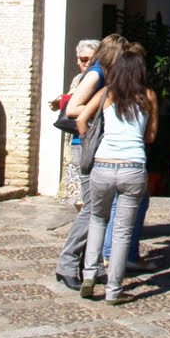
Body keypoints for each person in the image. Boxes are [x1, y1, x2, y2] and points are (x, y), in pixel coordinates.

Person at [75, 41, 157, 303]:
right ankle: (114, 290)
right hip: (133, 166)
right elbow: (151, 136)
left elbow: (80, 118)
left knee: (97, 220)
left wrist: (88, 141)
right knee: (122, 230)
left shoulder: (107, 93)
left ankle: (89, 275)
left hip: (103, 164)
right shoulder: (148, 95)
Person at [53, 34, 120, 290]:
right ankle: (67, 263)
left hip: (96, 144)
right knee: (92, 209)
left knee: (99, 210)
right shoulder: (95, 74)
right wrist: (105, 108)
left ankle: (90, 266)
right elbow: (72, 109)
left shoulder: (105, 75)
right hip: (86, 145)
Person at [51, 38, 99, 209]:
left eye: (91, 59)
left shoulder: (97, 77)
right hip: (74, 135)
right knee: (77, 186)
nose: (86, 63)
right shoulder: (78, 79)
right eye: (83, 59)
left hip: (90, 134)